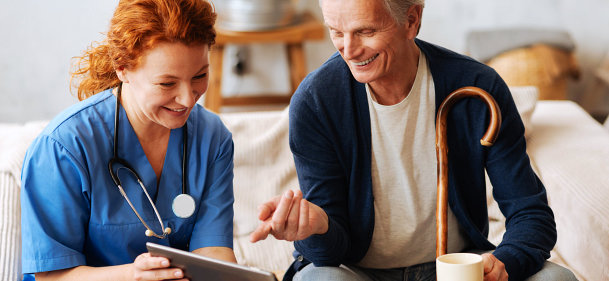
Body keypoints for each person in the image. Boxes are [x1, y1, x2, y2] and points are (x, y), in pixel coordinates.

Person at [250, 0, 578, 280]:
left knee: (557, 277)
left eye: (365, 31)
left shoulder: (478, 86)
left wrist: (505, 262)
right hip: (356, 270)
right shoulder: (316, 100)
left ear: (411, 20)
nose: (348, 50)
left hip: (456, 266)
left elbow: (530, 212)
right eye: (336, 31)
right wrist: (318, 226)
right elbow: (328, 254)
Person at [20, 0, 236, 280]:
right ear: (122, 68)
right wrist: (134, 275)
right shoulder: (63, 147)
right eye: (167, 83)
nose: (187, 98)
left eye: (199, 76)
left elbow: (213, 250)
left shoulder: (212, 138)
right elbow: (52, 276)